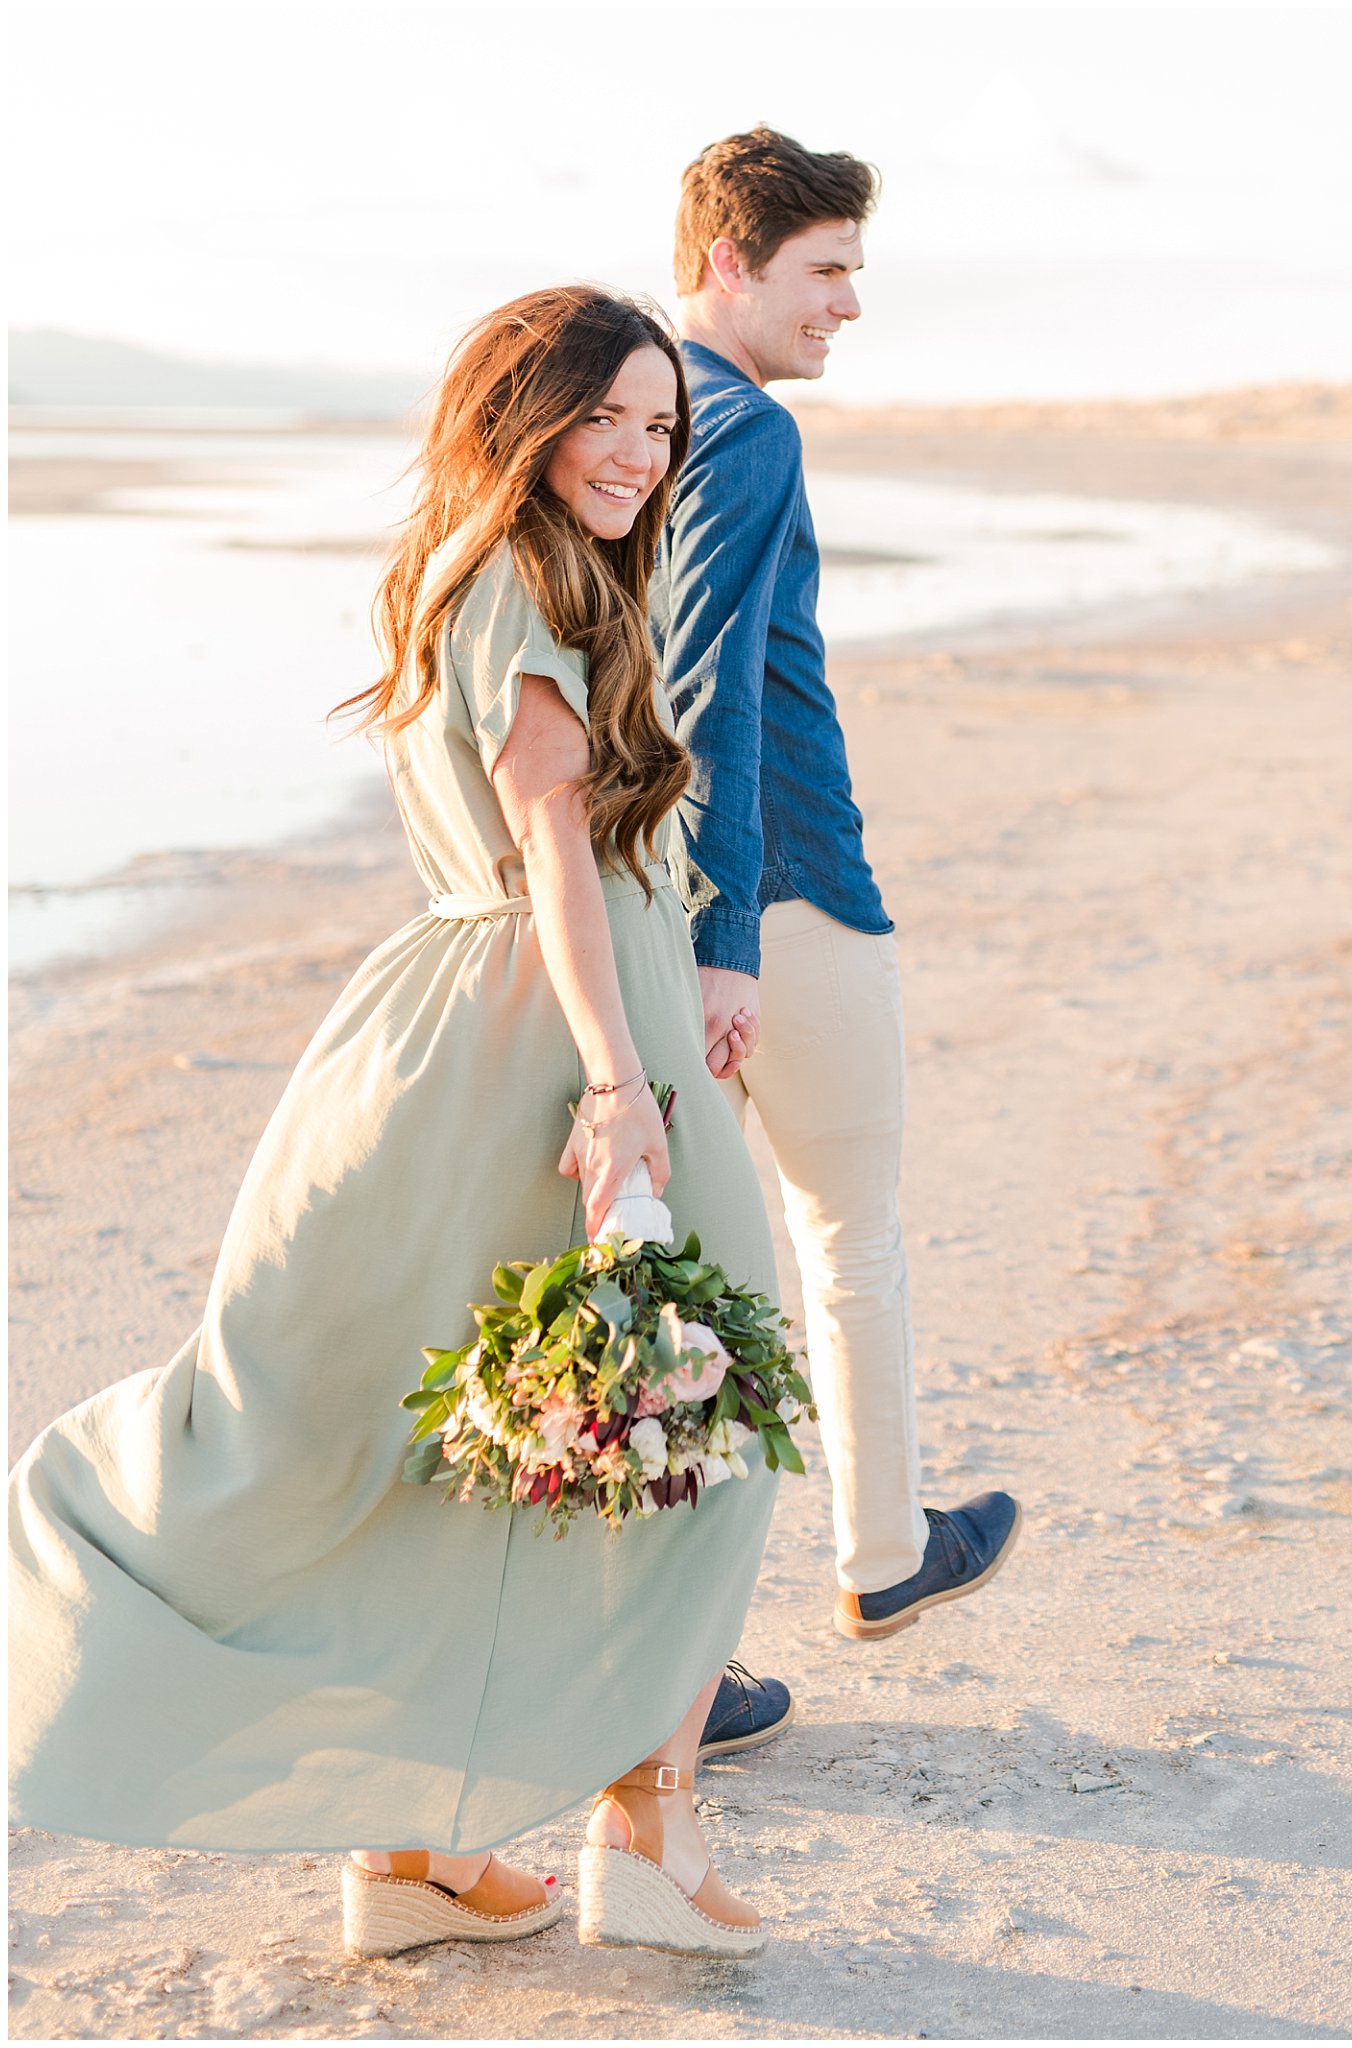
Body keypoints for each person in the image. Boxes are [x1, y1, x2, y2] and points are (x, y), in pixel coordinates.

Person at [9, 287, 782, 1961]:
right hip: (556, 1030)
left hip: (486, 1019)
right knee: (698, 1415)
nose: (642, 457)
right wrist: (617, 1086)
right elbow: (554, 844)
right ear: (530, 413)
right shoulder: (515, 582)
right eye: (610, 420)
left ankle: (413, 1855)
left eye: (663, 428)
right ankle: (642, 1829)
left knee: (471, 1441)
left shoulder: (507, 575)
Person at [651, 127, 1021, 1651]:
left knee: (668, 1279)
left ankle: (675, 1663)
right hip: (776, 893)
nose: (849, 304)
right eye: (826, 270)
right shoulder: (744, 429)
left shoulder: (618, 413)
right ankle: (881, 1552)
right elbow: (707, 687)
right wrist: (726, 931)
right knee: (839, 1235)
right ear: (728, 263)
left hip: (659, 892)